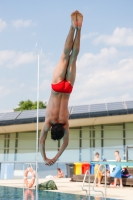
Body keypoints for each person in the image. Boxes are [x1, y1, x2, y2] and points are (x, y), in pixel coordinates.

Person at [39, 11, 83, 166]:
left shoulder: (65, 123)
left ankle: (79, 29)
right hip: (57, 87)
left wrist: (55, 157)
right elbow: (41, 140)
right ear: (52, 129)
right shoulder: (49, 121)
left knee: (73, 57)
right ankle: (72, 27)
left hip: (67, 88)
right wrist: (46, 157)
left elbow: (66, 143)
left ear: (62, 130)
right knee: (65, 55)